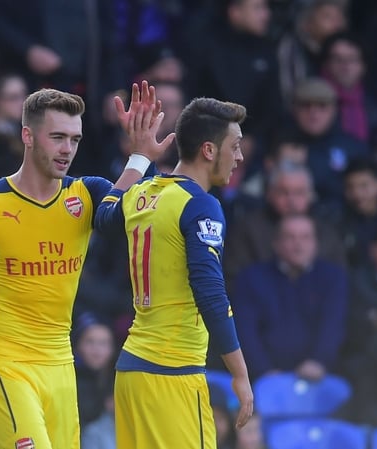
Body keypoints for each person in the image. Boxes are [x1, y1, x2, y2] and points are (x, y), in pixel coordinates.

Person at [0, 81, 172, 449]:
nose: (67, 149)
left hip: (60, 367)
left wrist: (139, 157)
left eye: (75, 139)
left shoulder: (86, 194)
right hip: (3, 363)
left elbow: (119, 217)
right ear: (27, 135)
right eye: (57, 137)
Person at [95, 96, 254, 448]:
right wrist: (240, 374)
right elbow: (210, 292)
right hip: (172, 374)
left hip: (131, 373)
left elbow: (104, 217)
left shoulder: (143, 192)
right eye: (236, 146)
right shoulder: (202, 205)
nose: (240, 157)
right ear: (209, 150)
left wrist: (139, 157)